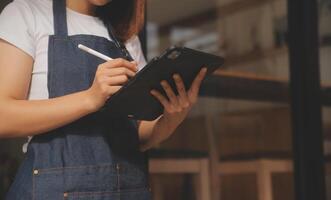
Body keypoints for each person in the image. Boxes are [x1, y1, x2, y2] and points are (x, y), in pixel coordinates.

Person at [0, 0, 207, 199]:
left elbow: (139, 134)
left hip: (128, 189)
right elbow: (4, 117)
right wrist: (90, 99)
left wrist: (171, 119)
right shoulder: (26, 14)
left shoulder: (125, 37)